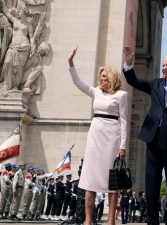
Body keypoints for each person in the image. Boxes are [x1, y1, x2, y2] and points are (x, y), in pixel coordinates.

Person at [123, 45, 167, 225]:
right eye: (163, 65)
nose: (164, 68)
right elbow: (134, 81)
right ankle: (152, 221)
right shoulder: (155, 84)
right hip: (153, 139)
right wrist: (129, 63)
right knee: (152, 184)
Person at [68, 46, 128, 225]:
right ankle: (88, 219)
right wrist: (71, 63)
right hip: (95, 134)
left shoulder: (121, 95)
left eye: (104, 77)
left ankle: (110, 220)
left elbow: (124, 121)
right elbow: (78, 83)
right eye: (100, 77)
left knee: (112, 180)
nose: (101, 79)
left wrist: (122, 146)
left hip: (112, 136)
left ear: (111, 78)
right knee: (90, 179)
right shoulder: (96, 92)